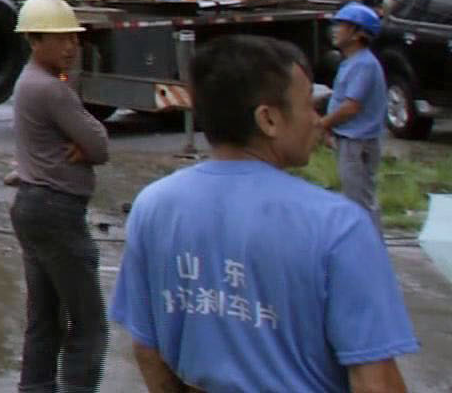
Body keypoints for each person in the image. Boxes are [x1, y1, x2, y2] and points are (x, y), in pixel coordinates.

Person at [109, 35, 418, 393]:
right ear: (268, 119)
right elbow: (374, 382)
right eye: (307, 106)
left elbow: (147, 347)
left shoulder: (154, 206)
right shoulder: (339, 225)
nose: (317, 121)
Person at [9, 0, 110, 393]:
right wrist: (84, 144)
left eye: (74, 38)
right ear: (35, 41)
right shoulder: (50, 89)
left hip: (34, 206)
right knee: (89, 326)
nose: (71, 47)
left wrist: (82, 141)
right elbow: (100, 144)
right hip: (56, 211)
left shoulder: (32, 82)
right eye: (61, 38)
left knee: (44, 318)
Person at [321, 1, 387, 232]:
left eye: (343, 25)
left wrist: (321, 124)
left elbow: (351, 107)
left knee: (359, 202)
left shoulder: (364, 65)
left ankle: (369, 253)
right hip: (350, 140)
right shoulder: (353, 62)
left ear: (358, 34)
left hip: (357, 144)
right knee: (357, 198)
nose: (336, 30)